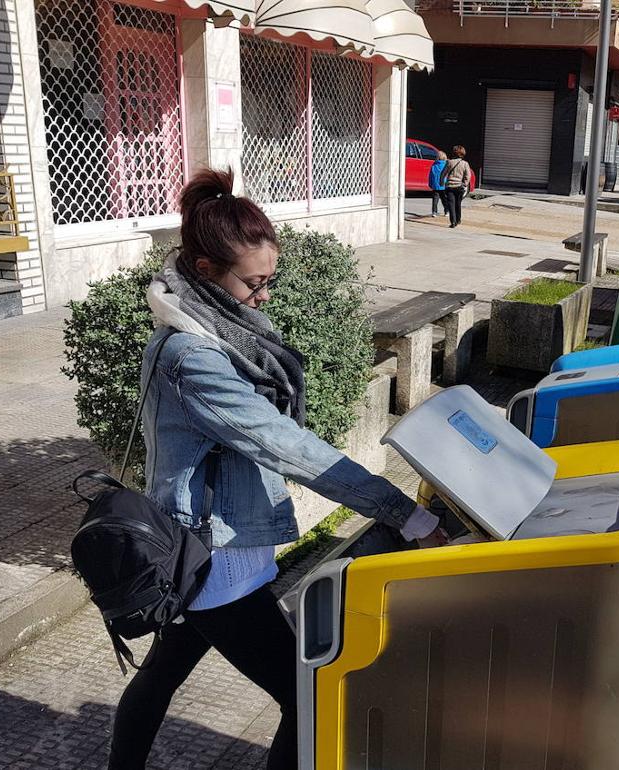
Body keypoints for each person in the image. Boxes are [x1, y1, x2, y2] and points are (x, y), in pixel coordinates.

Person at [109, 168, 447, 769]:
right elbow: (285, 445)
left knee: (162, 677)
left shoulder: (216, 326)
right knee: (306, 692)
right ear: (206, 271)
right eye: (254, 282)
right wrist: (404, 512)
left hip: (211, 548)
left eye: (270, 279)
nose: (264, 296)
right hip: (215, 558)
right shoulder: (193, 356)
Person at [441, 145, 471, 228]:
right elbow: (468, 176)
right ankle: (458, 219)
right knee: (458, 204)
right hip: (459, 187)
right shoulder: (465, 164)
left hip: (450, 187)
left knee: (451, 204)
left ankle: (453, 222)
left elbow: (443, 173)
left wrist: (441, 182)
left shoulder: (449, 162)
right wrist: (464, 184)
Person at [428, 150, 447, 217]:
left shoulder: (434, 165)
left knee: (435, 199)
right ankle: (446, 211)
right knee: (444, 199)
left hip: (435, 185)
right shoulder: (445, 165)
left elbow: (430, 175)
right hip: (443, 185)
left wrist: (430, 184)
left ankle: (434, 212)